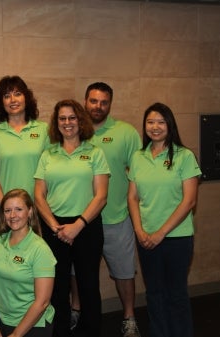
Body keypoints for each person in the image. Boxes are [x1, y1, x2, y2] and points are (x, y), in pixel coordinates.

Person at [34, 99, 110, 337]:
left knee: (88, 286)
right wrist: (54, 225)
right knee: (58, 288)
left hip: (86, 226)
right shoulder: (48, 154)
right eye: (62, 119)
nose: (67, 123)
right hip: (54, 227)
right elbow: (38, 194)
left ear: (80, 121)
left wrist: (77, 226)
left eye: (72, 118)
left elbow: (101, 196)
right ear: (56, 124)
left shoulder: (95, 152)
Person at [127, 103, 201, 337]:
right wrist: (139, 231)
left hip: (176, 239)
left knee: (176, 294)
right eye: (150, 122)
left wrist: (160, 234)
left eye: (160, 122)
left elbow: (189, 202)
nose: (155, 127)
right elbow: (132, 198)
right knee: (154, 294)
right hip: (146, 238)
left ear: (170, 125)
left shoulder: (184, 156)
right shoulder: (138, 157)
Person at [82, 82, 143, 337]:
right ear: (85, 101)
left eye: (103, 102)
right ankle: (76, 311)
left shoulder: (126, 133)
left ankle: (129, 316)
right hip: (82, 220)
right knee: (78, 272)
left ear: (110, 104)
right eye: (94, 101)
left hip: (117, 218)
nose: (98, 106)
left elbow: (138, 173)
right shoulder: (73, 130)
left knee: (124, 272)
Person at [0, 75, 50, 231]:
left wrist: (38, 204)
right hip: (5, 213)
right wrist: (8, 209)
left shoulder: (43, 129)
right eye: (7, 96)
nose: (13, 100)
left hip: (37, 209)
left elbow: (48, 172)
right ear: (1, 102)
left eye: (17, 94)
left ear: (27, 97)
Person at [0, 189, 56, 337]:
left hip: (33, 324)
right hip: (0, 321)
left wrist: (16, 334)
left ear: (30, 211)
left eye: (18, 209)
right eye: (7, 210)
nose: (12, 215)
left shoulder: (40, 249)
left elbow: (42, 302)